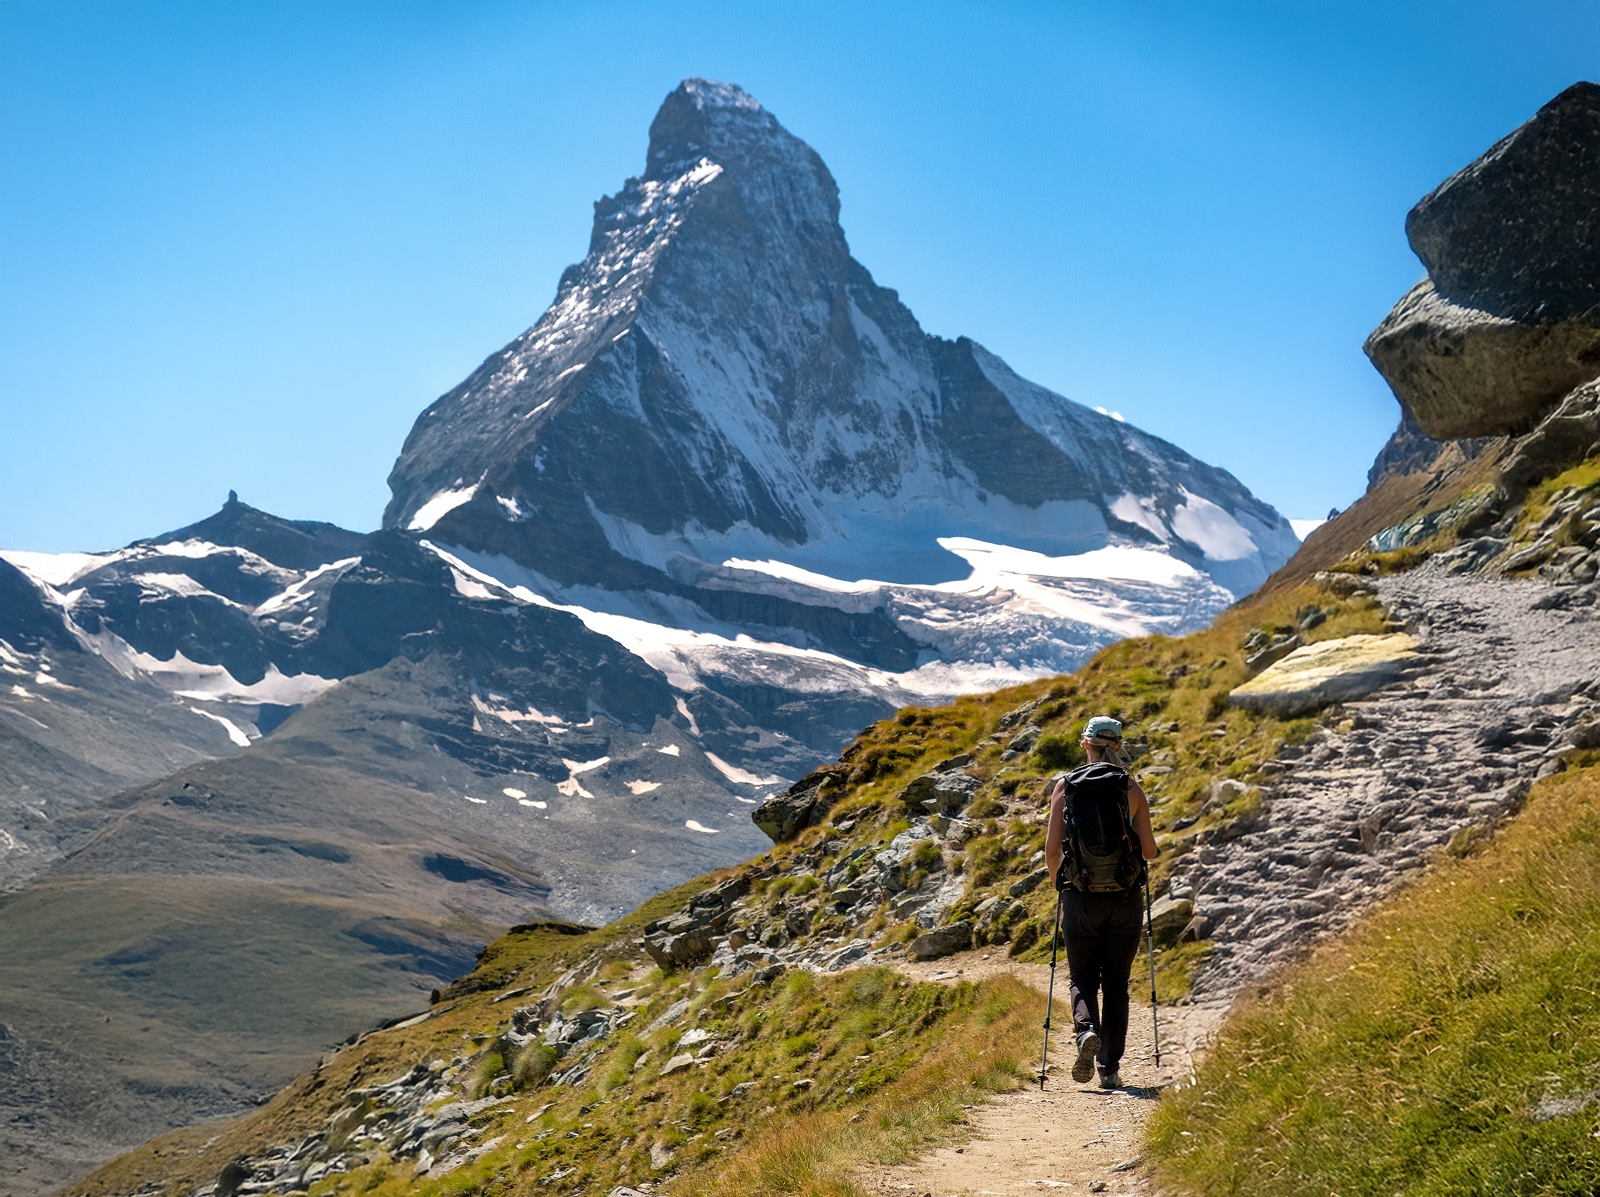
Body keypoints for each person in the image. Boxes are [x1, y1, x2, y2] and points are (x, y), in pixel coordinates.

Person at [1044, 715, 1159, 1089]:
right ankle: (1109, 1068)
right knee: (1117, 983)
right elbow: (1150, 851)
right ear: (1120, 746)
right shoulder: (1130, 786)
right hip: (1124, 900)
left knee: (1081, 977)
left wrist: (1063, 886)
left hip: (1080, 898)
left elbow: (1051, 852)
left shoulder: (1066, 785)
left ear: (1086, 744)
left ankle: (1085, 1033)